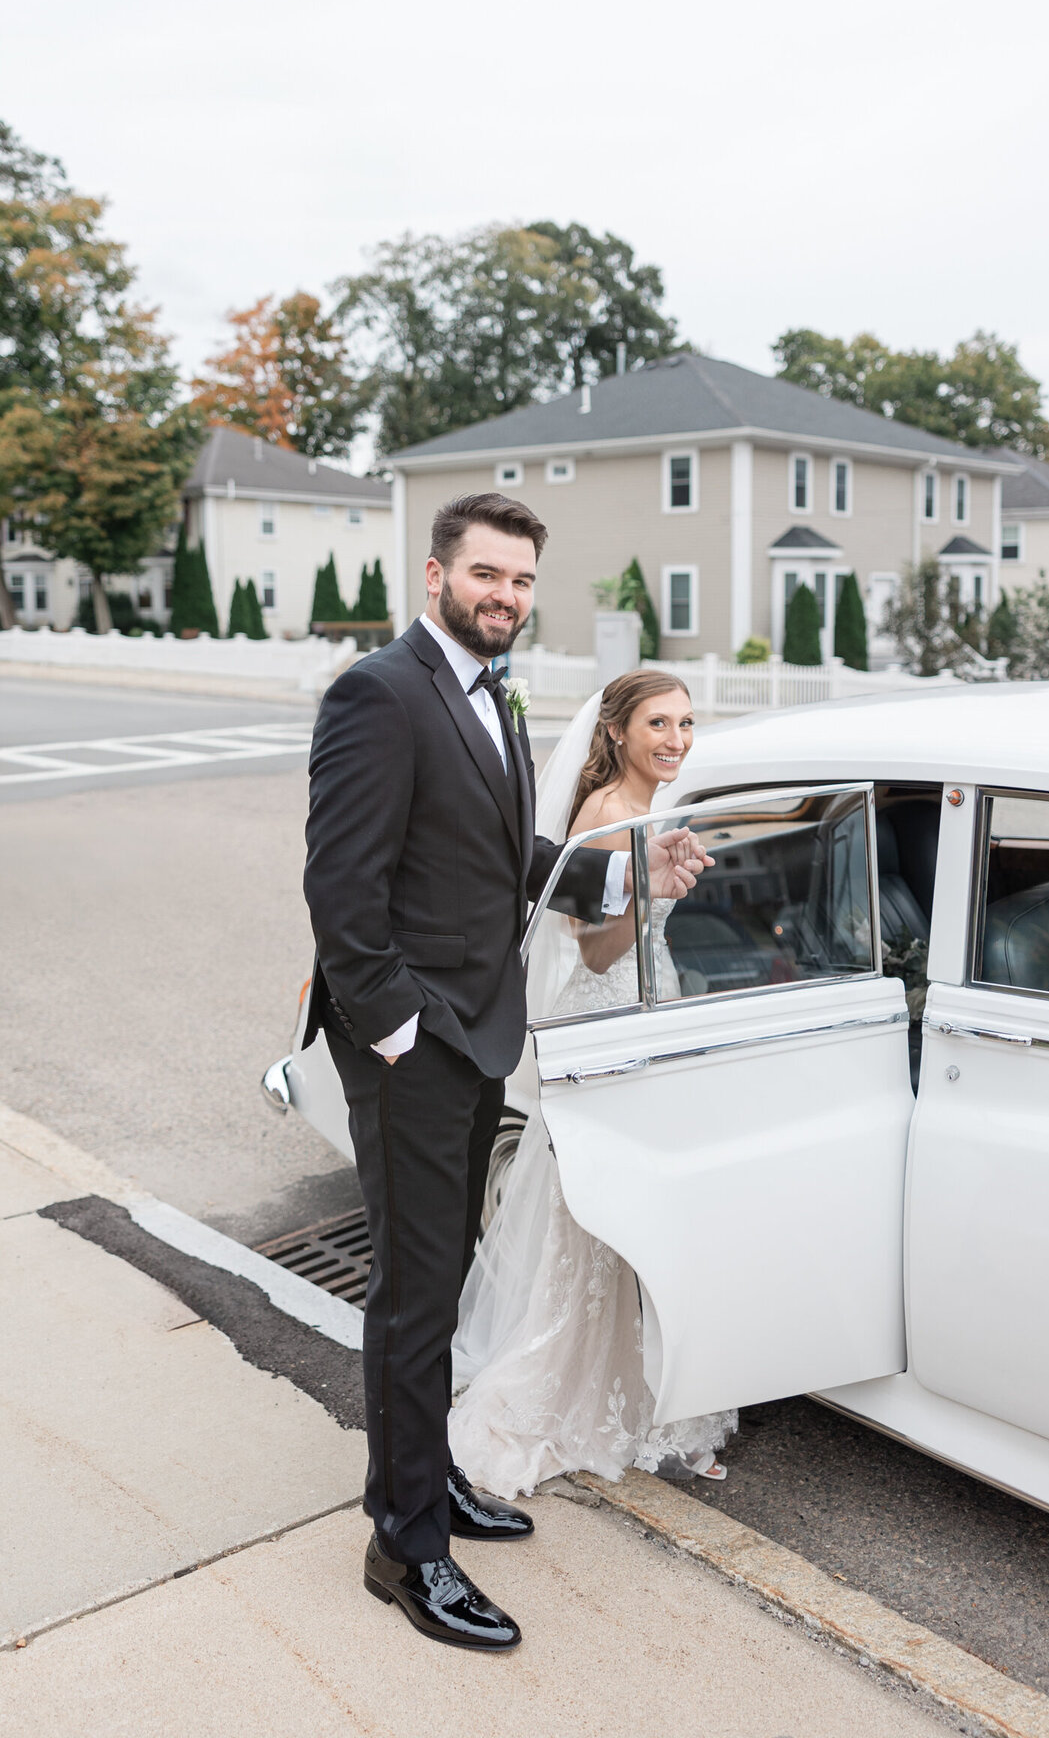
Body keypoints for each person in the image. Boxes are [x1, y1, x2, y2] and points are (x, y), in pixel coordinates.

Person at [302, 494, 711, 1652]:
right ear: (435, 575)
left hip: (483, 1037)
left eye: (523, 581)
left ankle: (432, 1481)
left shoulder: (493, 691)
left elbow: (503, 858)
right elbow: (342, 893)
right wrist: (396, 1037)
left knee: (448, 1271)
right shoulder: (380, 694)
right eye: (487, 575)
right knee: (415, 1295)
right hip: (415, 1050)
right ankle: (406, 1544)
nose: (506, 596)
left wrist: (627, 875)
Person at [450, 671, 737, 1498]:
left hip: (654, 1007)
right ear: (616, 732)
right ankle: (562, 1395)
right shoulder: (608, 814)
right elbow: (597, 950)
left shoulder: (657, 807)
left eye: (687, 723)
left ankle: (645, 1392)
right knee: (598, 1227)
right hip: (609, 1021)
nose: (677, 739)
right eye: (659, 723)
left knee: (639, 1226)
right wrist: (657, 887)